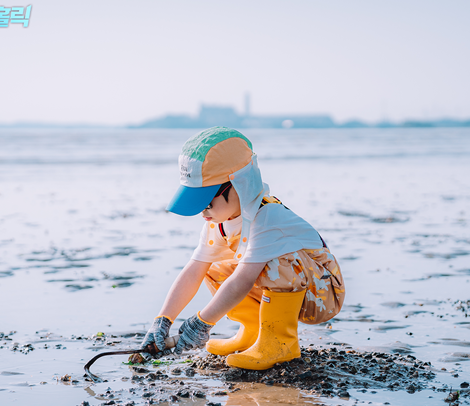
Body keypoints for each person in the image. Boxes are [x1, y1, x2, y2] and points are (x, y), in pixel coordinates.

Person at [140, 126, 345, 370]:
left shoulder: (267, 217)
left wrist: (202, 322)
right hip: (292, 288)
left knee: (274, 262)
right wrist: (163, 320)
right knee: (214, 267)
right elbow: (193, 270)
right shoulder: (219, 221)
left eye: (206, 202)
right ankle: (253, 332)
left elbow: (243, 280)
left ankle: (279, 343)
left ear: (239, 185)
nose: (202, 211)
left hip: (321, 293)